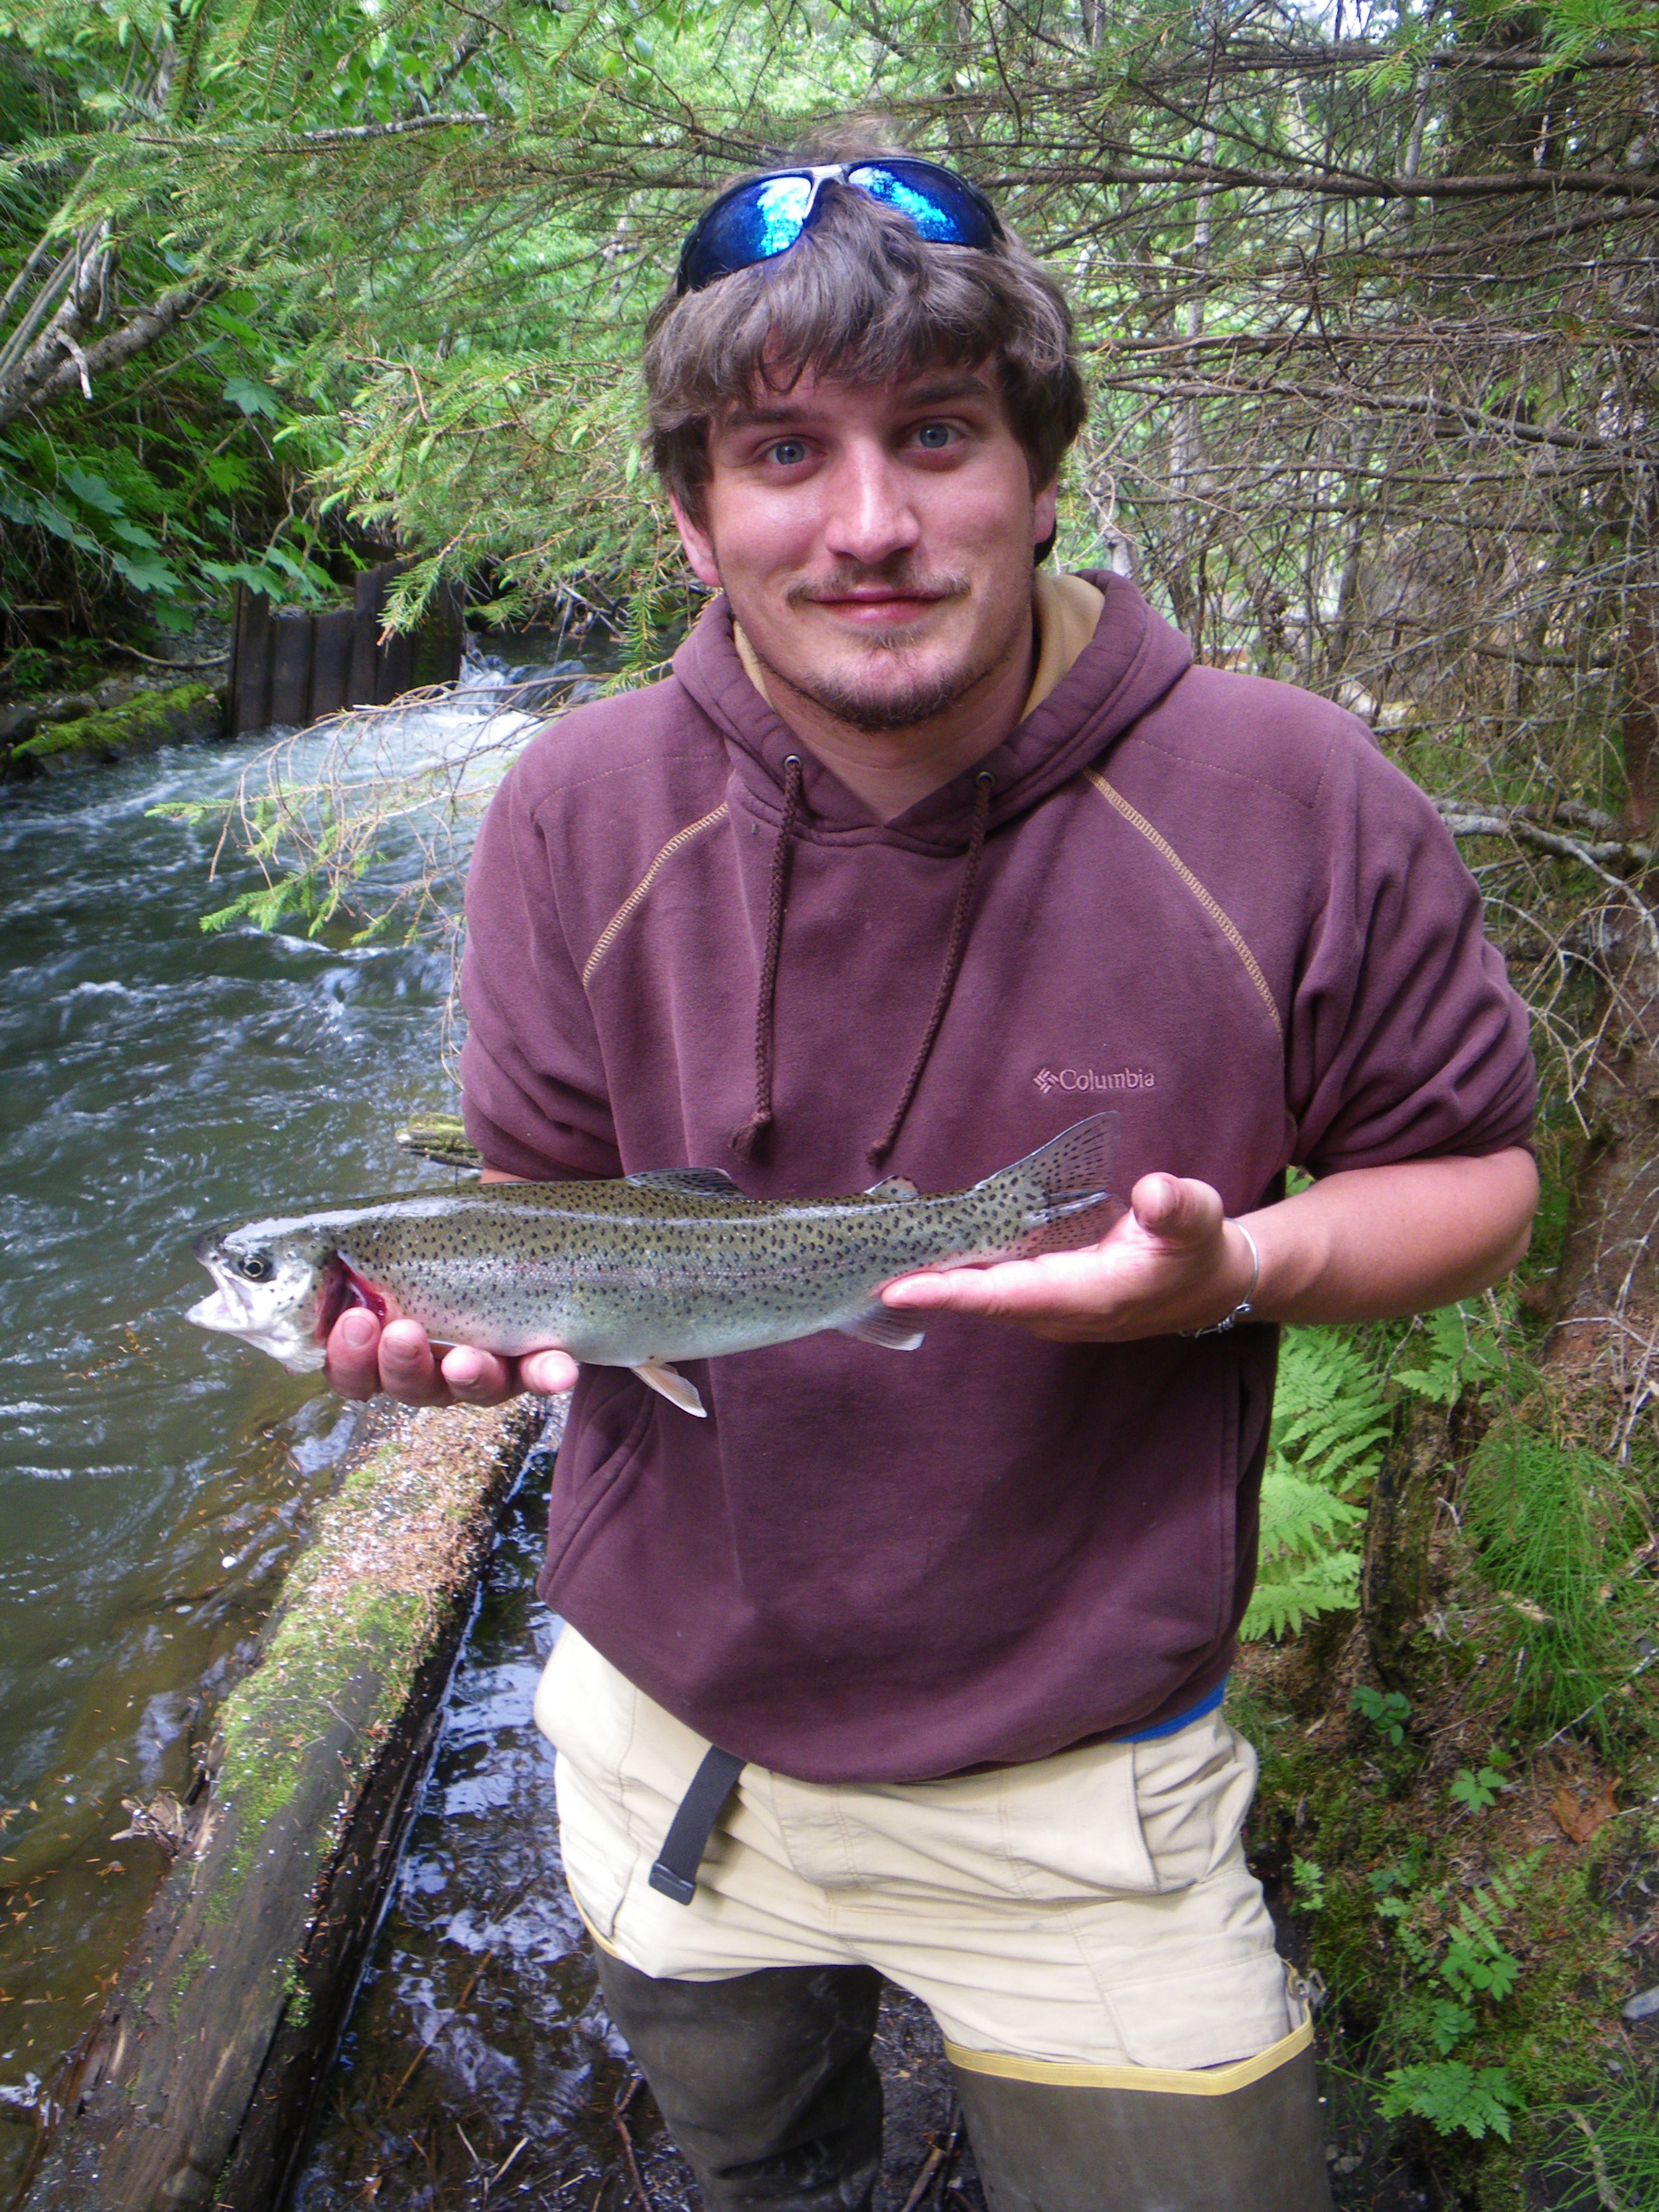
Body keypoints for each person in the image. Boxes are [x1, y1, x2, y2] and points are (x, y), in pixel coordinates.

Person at [326, 146, 1538, 2212]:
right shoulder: (575, 809)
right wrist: (465, 1333)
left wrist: (1236, 1271)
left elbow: (1472, 1175)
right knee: (764, 2180)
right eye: (782, 452)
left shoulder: (1289, 793)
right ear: (691, 515)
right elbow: (554, 1215)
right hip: (666, 1748)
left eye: (939, 436)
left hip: (1088, 1791)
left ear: (1041, 471)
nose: (868, 523)